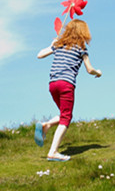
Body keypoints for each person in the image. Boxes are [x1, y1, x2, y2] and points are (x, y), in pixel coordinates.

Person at [34, 19, 102, 161]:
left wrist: (51, 45)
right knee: (66, 118)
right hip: (66, 84)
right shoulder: (81, 48)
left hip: (52, 84)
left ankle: (46, 125)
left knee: (65, 114)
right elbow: (89, 69)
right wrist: (98, 72)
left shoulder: (59, 45)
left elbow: (39, 55)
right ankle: (53, 152)